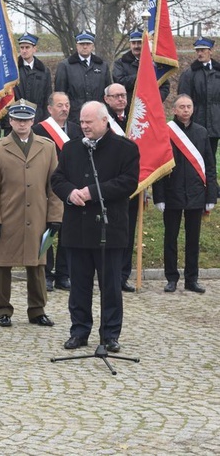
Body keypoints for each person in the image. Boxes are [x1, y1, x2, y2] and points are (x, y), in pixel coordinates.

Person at [51, 101, 139, 353]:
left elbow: (128, 182)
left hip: (109, 231)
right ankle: (79, 331)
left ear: (105, 121)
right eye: (82, 122)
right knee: (79, 285)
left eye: (89, 122)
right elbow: (57, 179)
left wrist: (91, 192)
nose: (84, 126)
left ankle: (110, 334)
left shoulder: (126, 149)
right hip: (77, 229)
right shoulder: (70, 148)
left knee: (110, 285)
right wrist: (70, 193)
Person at [0, 100, 62, 328]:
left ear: (32, 121)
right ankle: (3, 309)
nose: (22, 123)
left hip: (37, 215)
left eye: (26, 119)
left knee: (37, 265)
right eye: (17, 119)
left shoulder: (47, 147)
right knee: (3, 265)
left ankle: (37, 309)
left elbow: (54, 186)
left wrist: (55, 217)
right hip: (8, 215)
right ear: (10, 121)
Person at [153, 95, 217, 294]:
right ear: (174, 110)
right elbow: (159, 166)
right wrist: (159, 196)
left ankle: (192, 279)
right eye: (182, 107)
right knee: (170, 238)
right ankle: (171, 278)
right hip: (172, 194)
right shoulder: (165, 132)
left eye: (189, 106)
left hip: (196, 194)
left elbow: (210, 166)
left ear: (193, 109)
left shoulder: (202, 132)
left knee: (193, 240)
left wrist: (211, 197)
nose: (186, 110)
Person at [33, 92, 74, 290]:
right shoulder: (39, 130)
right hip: (45, 188)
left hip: (69, 188)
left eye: (66, 105)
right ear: (50, 109)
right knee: (48, 229)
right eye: (60, 105)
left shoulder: (76, 130)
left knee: (67, 231)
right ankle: (46, 272)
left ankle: (63, 274)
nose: (64, 109)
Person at [103, 83, 138, 292]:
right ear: (106, 99)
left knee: (128, 232)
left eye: (123, 95)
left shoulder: (134, 119)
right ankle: (107, 275)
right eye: (116, 96)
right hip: (108, 185)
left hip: (131, 183)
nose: (121, 99)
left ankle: (123, 275)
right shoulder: (102, 121)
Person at [55, 31, 112, 125]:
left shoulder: (102, 66)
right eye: (82, 44)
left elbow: (108, 93)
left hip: (98, 116)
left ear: (93, 46)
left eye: (88, 44)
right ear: (77, 46)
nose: (85, 47)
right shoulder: (65, 66)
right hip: (74, 117)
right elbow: (60, 94)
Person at [178, 37, 220, 158]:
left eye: (203, 50)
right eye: (198, 50)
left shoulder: (218, 72)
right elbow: (183, 98)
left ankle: (210, 177)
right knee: (195, 156)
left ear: (211, 51)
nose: (200, 53)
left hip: (215, 121)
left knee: (211, 156)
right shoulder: (189, 74)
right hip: (196, 121)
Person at [112, 29, 169, 106]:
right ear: (130, 44)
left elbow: (164, 85)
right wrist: (141, 75)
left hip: (151, 106)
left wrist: (156, 99)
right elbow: (120, 83)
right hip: (129, 107)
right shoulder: (121, 63)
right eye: (133, 43)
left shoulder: (155, 63)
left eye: (139, 43)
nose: (136, 46)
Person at [15, 33, 52, 122]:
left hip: (37, 118)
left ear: (34, 49)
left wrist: (45, 119)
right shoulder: (13, 69)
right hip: (16, 116)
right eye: (22, 47)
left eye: (27, 47)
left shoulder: (43, 70)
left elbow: (47, 97)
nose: (24, 50)